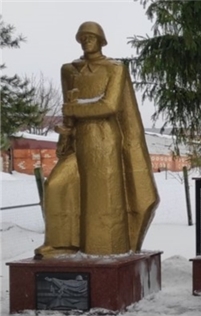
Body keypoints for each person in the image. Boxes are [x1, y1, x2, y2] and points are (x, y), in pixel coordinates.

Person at [35, 21, 159, 259]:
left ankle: (104, 247)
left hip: (103, 140)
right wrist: (66, 134)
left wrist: (74, 110)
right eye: (82, 37)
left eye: (91, 37)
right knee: (56, 185)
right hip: (78, 139)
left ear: (102, 40)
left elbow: (110, 105)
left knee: (101, 198)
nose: (86, 40)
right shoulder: (69, 70)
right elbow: (67, 109)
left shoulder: (114, 68)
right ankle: (61, 244)